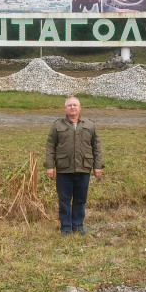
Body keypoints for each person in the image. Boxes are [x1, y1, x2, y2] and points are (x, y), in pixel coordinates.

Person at [44, 97, 103, 235]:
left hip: (84, 168)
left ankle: (78, 225)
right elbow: (50, 146)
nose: (72, 107)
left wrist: (97, 165)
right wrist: (49, 166)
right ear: (65, 109)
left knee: (80, 199)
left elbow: (97, 146)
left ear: (80, 107)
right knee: (64, 199)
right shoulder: (57, 125)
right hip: (64, 169)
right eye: (69, 105)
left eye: (75, 105)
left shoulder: (89, 125)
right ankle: (65, 227)